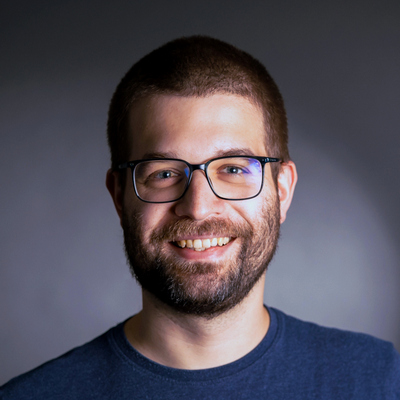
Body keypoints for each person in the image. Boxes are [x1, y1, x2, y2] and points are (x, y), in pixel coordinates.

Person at [1, 35, 399, 399]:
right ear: (119, 196)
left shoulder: (379, 380)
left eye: (233, 168)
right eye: (164, 174)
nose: (198, 207)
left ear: (282, 190)